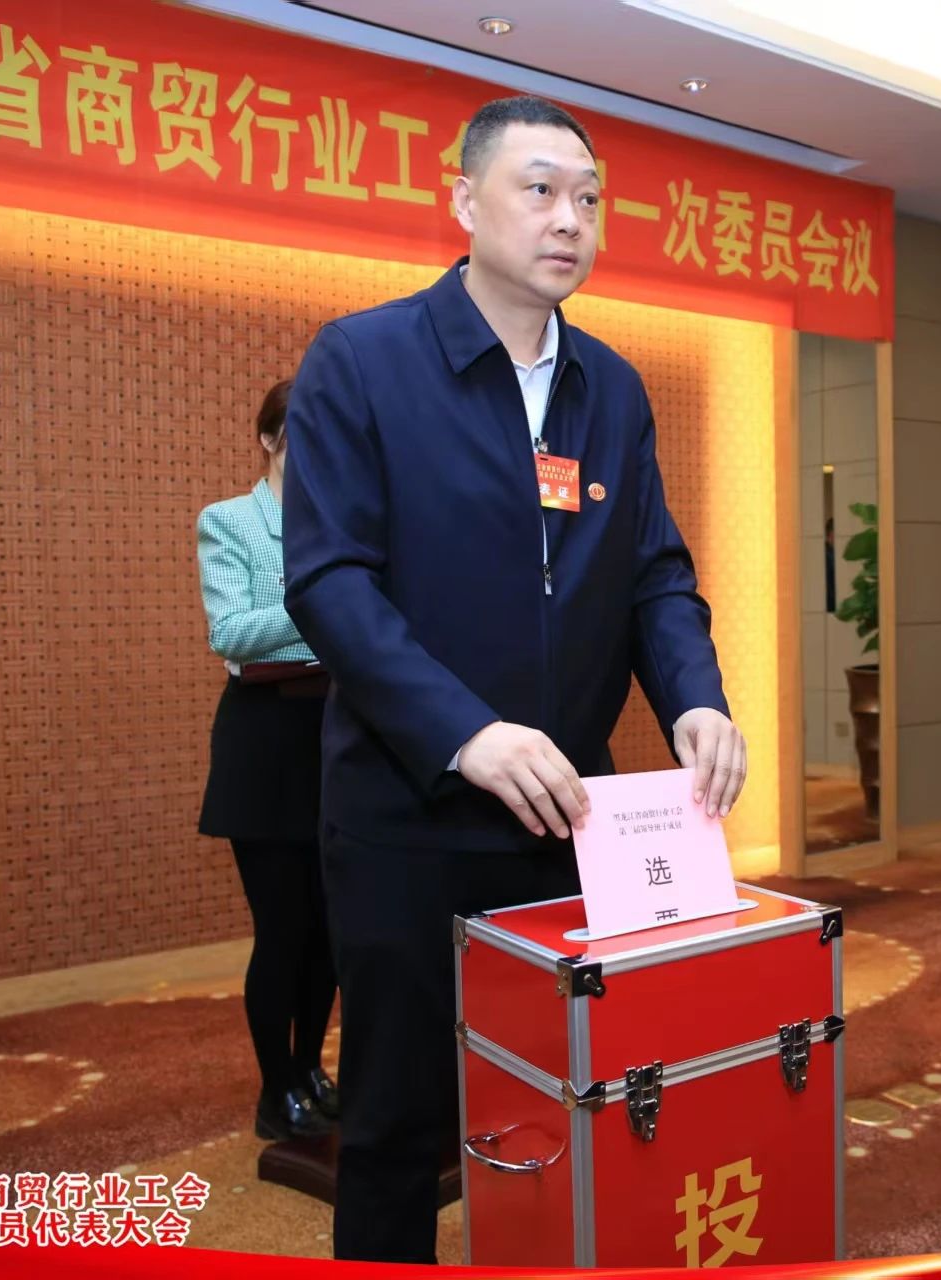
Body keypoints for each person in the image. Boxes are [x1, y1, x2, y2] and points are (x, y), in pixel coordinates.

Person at [282, 95, 748, 1263]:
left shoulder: (612, 389)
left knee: (564, 1096)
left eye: (589, 197)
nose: (570, 218)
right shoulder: (364, 360)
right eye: (539, 189)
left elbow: (654, 574)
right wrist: (465, 731)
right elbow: (330, 582)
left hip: (566, 819)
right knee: (399, 1121)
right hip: (410, 814)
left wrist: (695, 695)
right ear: (463, 199)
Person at [196, 380, 339, 1143]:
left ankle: (311, 1069)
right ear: (268, 439)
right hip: (265, 744)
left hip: (338, 736)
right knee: (282, 931)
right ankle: (274, 1088)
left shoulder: (342, 521)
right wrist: (324, 602)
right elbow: (231, 632)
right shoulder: (229, 521)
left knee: (332, 933)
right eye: (298, 434)